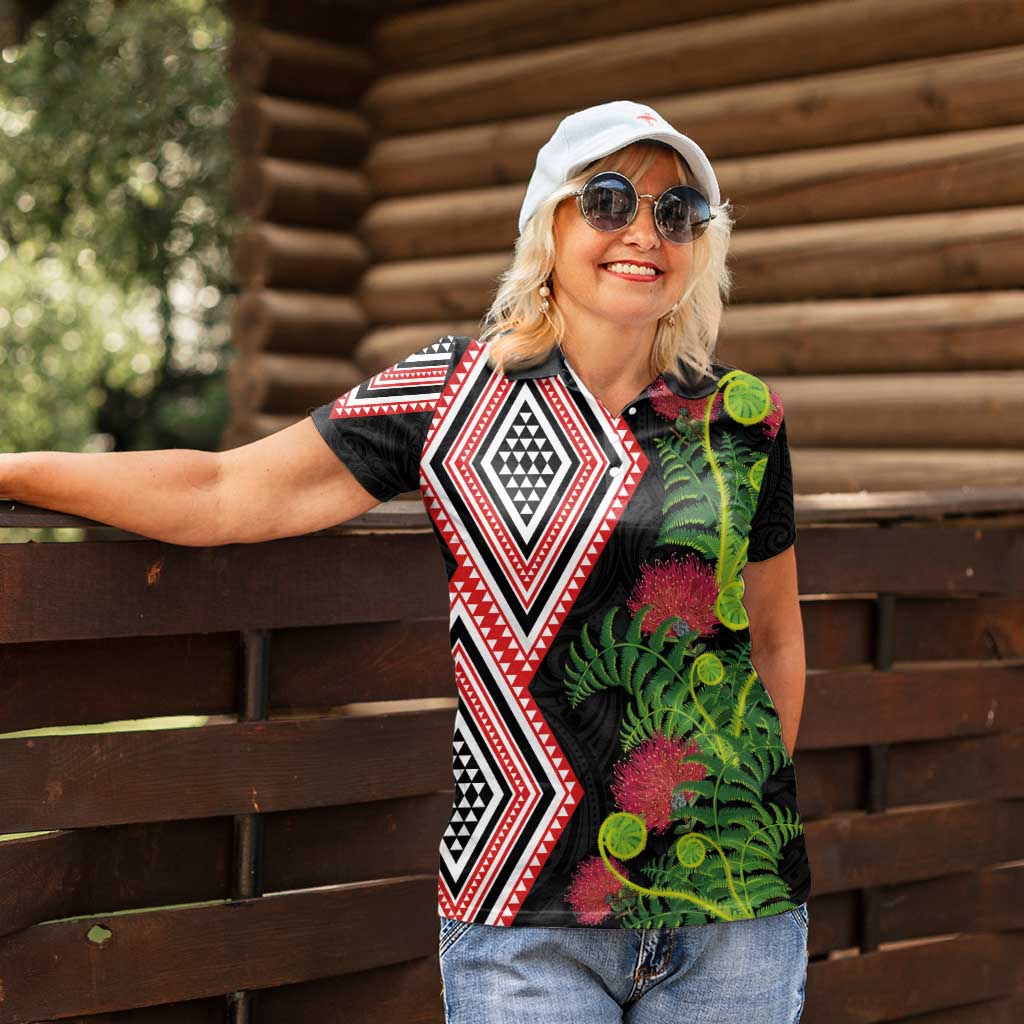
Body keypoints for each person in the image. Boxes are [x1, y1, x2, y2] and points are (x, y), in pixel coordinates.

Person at [0, 99, 810, 1023]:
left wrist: (734, 814)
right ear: (549, 222)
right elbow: (222, 493)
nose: (643, 234)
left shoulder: (744, 418)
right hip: (521, 917)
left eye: (677, 214)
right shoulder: (453, 390)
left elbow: (778, 641)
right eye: (611, 201)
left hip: (735, 918)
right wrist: (18, 470)